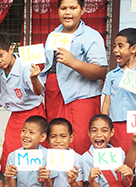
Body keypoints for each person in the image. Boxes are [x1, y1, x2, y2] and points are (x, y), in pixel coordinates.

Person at [40, 0, 108, 153]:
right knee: (56, 141)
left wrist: (73, 63)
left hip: (81, 98)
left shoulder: (91, 36)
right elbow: (49, 67)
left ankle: (81, 177)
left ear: (82, 10)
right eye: (63, 8)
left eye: (73, 8)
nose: (68, 12)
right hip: (55, 97)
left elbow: (101, 71)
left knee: (80, 142)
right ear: (58, 11)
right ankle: (57, 176)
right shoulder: (53, 35)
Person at [0, 32, 46, 169]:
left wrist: (34, 78)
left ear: (11, 49)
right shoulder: (1, 69)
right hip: (15, 116)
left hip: (33, 114)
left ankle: (34, 184)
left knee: (31, 150)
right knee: (10, 149)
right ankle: (11, 184)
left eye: (0, 55)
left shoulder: (25, 67)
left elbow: (39, 91)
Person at [101, 28, 136, 152]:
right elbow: (107, 102)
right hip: (116, 124)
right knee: (118, 155)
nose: (115, 50)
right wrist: (104, 124)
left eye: (120, 46)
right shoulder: (111, 75)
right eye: (114, 46)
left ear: (133, 49)